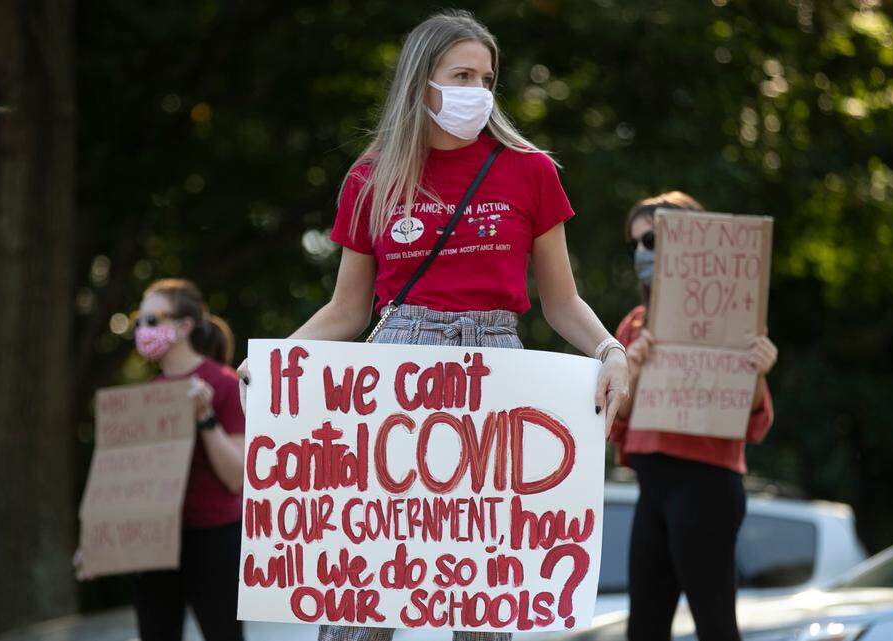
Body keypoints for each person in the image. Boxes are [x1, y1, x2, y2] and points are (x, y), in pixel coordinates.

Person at [239, 10, 631, 641]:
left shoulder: (529, 171)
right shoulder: (373, 177)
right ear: (422, 83)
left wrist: (611, 350)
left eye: (487, 76)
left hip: (498, 376)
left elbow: (562, 302)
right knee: (362, 604)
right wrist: (279, 361)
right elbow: (347, 309)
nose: (477, 90)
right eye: (461, 74)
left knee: (484, 607)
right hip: (396, 377)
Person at [608, 192, 778, 641]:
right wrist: (635, 371)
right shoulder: (635, 325)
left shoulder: (732, 319)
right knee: (643, 629)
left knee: (715, 626)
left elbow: (754, 424)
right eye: (635, 246)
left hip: (707, 485)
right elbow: (614, 423)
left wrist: (756, 372)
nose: (643, 254)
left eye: (653, 241)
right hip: (652, 486)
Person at [80, 278, 246, 641]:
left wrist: (205, 418)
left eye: (152, 320)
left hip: (214, 538)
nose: (142, 329)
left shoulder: (224, 385)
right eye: (139, 320)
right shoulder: (149, 397)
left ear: (184, 326)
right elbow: (124, 482)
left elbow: (237, 478)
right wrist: (98, 542)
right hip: (154, 543)